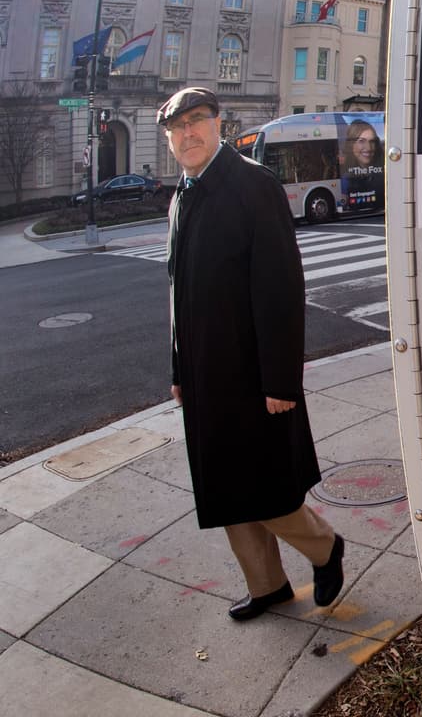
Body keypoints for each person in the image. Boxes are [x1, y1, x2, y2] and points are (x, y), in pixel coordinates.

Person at [161, 87, 345, 621]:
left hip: (252, 374)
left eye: (198, 121)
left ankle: (324, 547)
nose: (188, 133)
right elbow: (179, 293)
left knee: (265, 487)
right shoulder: (183, 194)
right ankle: (267, 585)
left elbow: (281, 289)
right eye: (178, 127)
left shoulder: (251, 186)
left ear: (218, 124)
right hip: (202, 375)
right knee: (225, 490)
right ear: (169, 137)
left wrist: (281, 382)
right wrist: (178, 369)